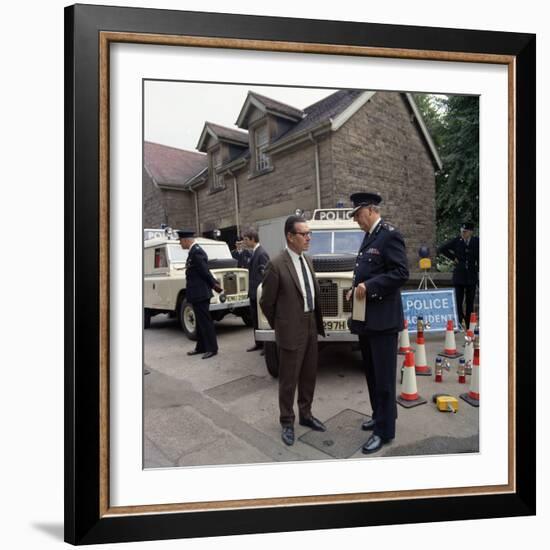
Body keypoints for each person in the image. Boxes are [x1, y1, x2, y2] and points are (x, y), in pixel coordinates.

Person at [347, 192, 409, 454]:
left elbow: (400, 273)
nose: (357, 221)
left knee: (383, 378)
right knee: (372, 374)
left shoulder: (389, 234)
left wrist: (369, 286)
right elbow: (366, 271)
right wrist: (354, 289)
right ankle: (378, 415)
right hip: (367, 320)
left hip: (383, 321)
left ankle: (384, 431)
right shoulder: (370, 235)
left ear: (371, 210)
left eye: (358, 215)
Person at [260, 215, 327, 446]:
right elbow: (266, 302)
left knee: (309, 375)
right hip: (290, 329)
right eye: (304, 234)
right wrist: (281, 325)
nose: (309, 238)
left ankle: (306, 415)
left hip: (310, 325)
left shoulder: (307, 260)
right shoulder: (276, 265)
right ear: (290, 236)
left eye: (310, 234)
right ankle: (287, 421)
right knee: (289, 380)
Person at [177, 229, 223, 359]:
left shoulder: (196, 252)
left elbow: (205, 272)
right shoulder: (193, 252)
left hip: (201, 293)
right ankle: (201, 347)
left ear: (186, 240)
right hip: (197, 293)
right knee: (200, 322)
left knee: (206, 322)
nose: (180, 244)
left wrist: (214, 285)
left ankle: (212, 348)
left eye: (181, 241)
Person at [437, 222, 479, 329]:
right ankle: (459, 323)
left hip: (471, 275)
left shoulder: (476, 241)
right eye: (461, 231)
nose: (463, 233)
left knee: (470, 301)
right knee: (458, 301)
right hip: (459, 275)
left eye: (465, 232)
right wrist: (453, 258)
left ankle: (470, 324)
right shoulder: (457, 241)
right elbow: (442, 248)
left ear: (470, 232)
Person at [242, 227, 270, 352]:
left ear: (253, 239)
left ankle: (265, 345)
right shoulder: (254, 252)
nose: (244, 242)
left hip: (259, 293)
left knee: (261, 320)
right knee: (255, 319)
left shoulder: (261, 253)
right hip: (253, 293)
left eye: (246, 239)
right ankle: (258, 343)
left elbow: (265, 275)